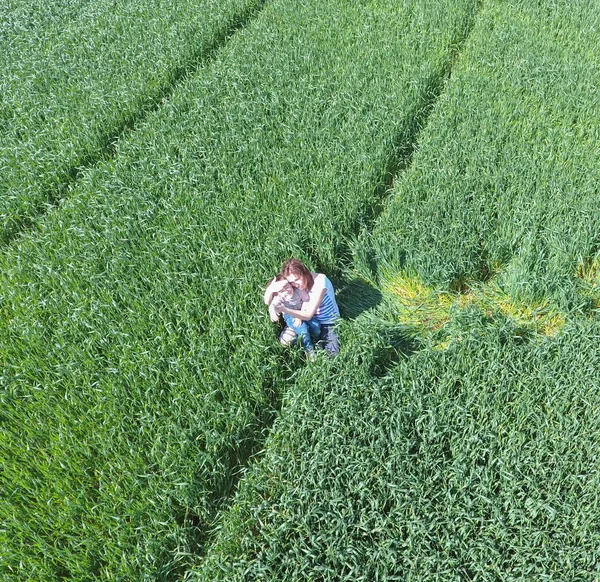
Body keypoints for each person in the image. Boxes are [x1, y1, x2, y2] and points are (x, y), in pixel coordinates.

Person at [264, 258, 340, 356]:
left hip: (326, 320)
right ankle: (307, 340)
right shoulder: (294, 286)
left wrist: (284, 309)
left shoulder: (320, 283)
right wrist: (270, 290)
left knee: (332, 353)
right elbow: (271, 300)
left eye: (297, 280)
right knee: (285, 341)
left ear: (304, 272)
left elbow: (308, 315)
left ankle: (313, 338)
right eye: (291, 283)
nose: (296, 284)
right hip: (300, 316)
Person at [267, 274, 319, 354]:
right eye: (281, 291)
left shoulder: (298, 292)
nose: (286, 291)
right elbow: (272, 305)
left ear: (290, 284)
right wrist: (272, 312)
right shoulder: (279, 297)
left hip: (303, 311)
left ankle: (316, 340)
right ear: (277, 293)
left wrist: (300, 317)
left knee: (316, 326)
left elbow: (306, 301)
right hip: (290, 316)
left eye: (287, 287)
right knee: (303, 329)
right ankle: (309, 350)